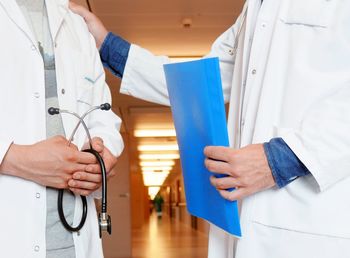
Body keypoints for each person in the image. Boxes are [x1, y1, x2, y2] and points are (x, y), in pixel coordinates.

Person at [70, 1, 350, 258]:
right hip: (252, 221)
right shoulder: (256, 8)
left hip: (314, 218)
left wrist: (278, 159)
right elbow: (201, 80)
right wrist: (107, 45)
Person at [0, 0, 123, 257]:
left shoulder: (76, 24)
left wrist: (100, 154)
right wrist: (13, 159)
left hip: (73, 241)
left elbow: (102, 112)